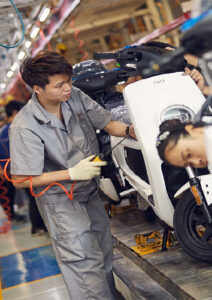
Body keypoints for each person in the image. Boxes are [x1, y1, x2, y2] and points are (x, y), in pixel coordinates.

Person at [9, 50, 136, 300]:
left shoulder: (74, 95)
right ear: (38, 88)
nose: (68, 87)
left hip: (90, 192)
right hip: (61, 203)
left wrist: (133, 130)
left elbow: (109, 124)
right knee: (83, 265)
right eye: (59, 85)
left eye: (68, 80)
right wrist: (70, 173)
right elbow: (21, 178)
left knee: (104, 256)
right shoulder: (25, 126)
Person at [0, 100, 27, 223]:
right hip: (21, 168)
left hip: (8, 169)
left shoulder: (3, 131)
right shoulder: (17, 128)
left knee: (10, 195)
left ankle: (12, 216)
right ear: (16, 112)